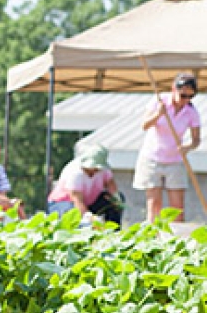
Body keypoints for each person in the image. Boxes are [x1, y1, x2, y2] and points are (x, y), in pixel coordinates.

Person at [133, 73, 201, 222]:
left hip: (175, 161)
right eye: (183, 95)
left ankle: (176, 239)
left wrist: (187, 147)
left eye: (191, 97)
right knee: (154, 205)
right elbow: (144, 125)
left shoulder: (191, 112)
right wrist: (158, 114)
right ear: (173, 89)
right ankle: (154, 238)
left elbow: (196, 140)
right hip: (152, 159)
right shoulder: (159, 102)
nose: (186, 100)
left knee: (177, 209)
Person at [48, 144, 123, 226]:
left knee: (114, 200)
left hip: (89, 202)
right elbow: (77, 200)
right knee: (76, 218)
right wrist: (90, 217)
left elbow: (110, 184)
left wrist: (117, 199)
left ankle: (113, 231)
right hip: (64, 203)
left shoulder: (102, 169)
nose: (95, 170)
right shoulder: (75, 172)